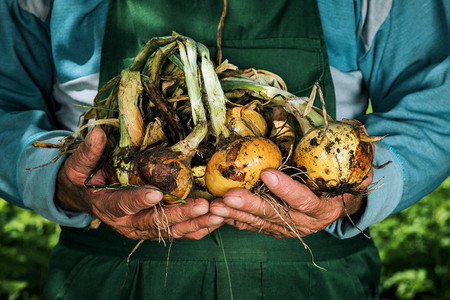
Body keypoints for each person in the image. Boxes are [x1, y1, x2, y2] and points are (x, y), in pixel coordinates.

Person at [0, 0, 448, 299]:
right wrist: (62, 182)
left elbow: (436, 108)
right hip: (107, 279)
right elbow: (5, 103)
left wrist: (354, 193)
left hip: (315, 282)